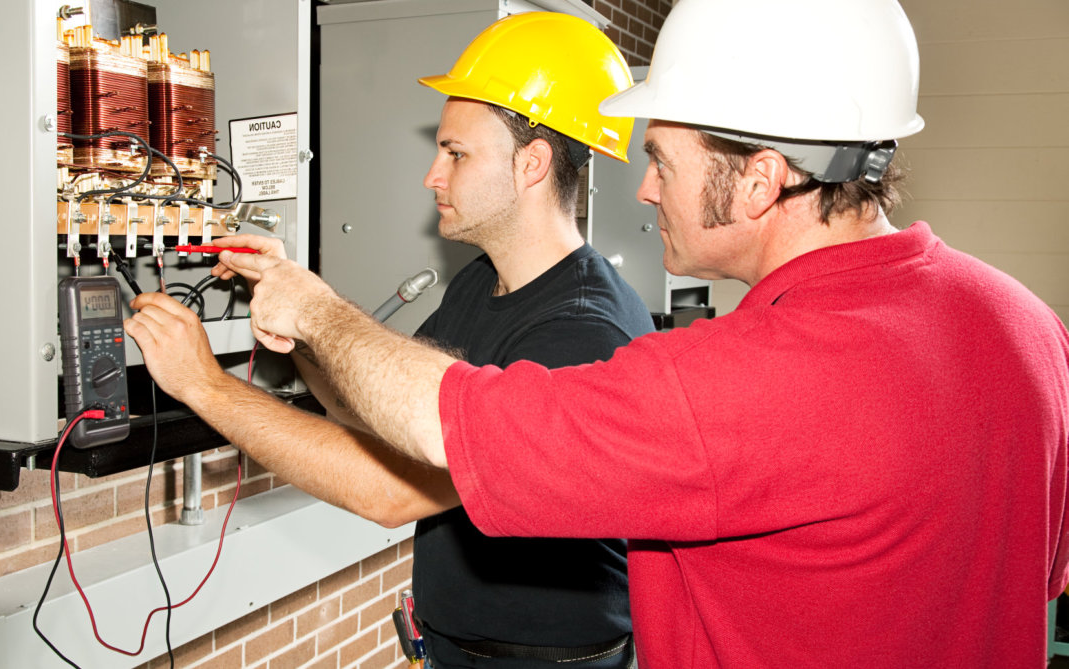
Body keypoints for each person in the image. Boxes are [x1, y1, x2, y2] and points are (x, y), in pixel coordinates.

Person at [199, 0, 1069, 666]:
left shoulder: (729, 381)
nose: (644, 191)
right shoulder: (1030, 329)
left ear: (762, 180)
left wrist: (291, 320)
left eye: (662, 160)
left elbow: (443, 430)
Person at [126, 13, 653, 668]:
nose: (432, 175)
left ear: (532, 163)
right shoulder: (482, 283)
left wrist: (204, 384)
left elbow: (392, 489)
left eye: (456, 153)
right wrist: (297, 323)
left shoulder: (579, 331)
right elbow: (377, 409)